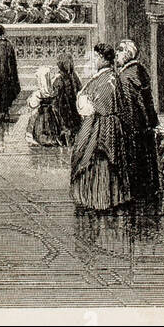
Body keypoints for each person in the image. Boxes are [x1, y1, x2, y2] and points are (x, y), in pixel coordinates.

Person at [70, 43, 132, 212]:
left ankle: (100, 199)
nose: (94, 60)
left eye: (96, 57)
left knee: (98, 158)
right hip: (98, 121)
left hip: (102, 124)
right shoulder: (104, 76)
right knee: (89, 157)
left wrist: (87, 105)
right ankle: (93, 198)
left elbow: (103, 105)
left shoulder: (109, 79)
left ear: (104, 59)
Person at [115, 40, 160, 202]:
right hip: (146, 124)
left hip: (134, 126)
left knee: (135, 158)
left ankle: (137, 192)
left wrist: (125, 126)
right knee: (147, 158)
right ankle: (150, 189)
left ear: (127, 54)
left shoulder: (126, 76)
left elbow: (129, 106)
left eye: (119, 52)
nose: (116, 56)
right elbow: (147, 102)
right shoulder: (139, 69)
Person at [0, 25, 21, 121]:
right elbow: (13, 63)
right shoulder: (8, 45)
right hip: (7, 75)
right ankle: (5, 113)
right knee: (6, 93)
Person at [26, 66, 64, 146]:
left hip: (42, 114)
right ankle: (52, 138)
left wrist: (30, 101)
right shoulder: (53, 91)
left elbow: (32, 105)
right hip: (51, 113)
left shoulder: (39, 93)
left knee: (37, 123)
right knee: (53, 125)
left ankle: (41, 138)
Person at [53, 58, 82, 145]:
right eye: (67, 64)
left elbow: (79, 88)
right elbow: (56, 96)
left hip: (73, 105)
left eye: (70, 63)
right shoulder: (59, 78)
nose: (69, 65)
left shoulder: (74, 75)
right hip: (64, 107)